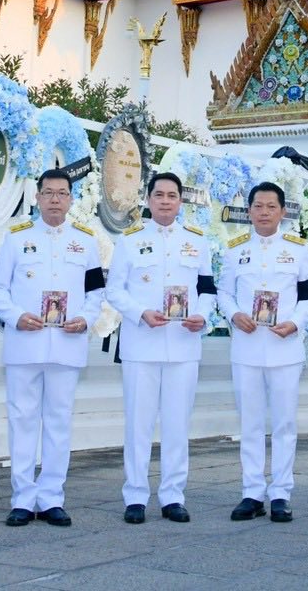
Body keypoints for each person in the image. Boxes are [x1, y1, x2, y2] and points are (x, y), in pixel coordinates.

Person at [0, 169, 105, 528]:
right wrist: (16, 316)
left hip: (66, 345)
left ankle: (52, 497)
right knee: (22, 421)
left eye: (62, 193)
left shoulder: (86, 242)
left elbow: (95, 293)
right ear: (37, 197)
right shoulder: (15, 237)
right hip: (25, 343)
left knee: (58, 422)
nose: (55, 199)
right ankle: (23, 499)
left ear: (71, 199)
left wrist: (85, 319)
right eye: (48, 193)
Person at [105, 172, 217, 524]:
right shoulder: (130, 239)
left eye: (172, 195)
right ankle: (135, 495)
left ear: (180, 201)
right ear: (148, 200)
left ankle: (172, 495)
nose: (166, 201)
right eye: (159, 195)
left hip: (183, 345)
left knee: (176, 423)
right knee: (138, 424)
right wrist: (140, 313)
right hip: (142, 344)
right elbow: (115, 290)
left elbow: (208, 289)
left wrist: (201, 315)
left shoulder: (198, 241)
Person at [217, 181, 308, 523]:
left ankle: (281, 493)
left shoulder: (299, 250)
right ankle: (251, 492)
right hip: (246, 348)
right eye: (258, 206)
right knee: (251, 422)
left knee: (285, 423)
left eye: (271, 206)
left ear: (282, 211)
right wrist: (234, 314)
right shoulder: (235, 250)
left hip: (284, 347)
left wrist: (295, 323)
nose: (263, 212)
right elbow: (224, 293)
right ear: (250, 211)